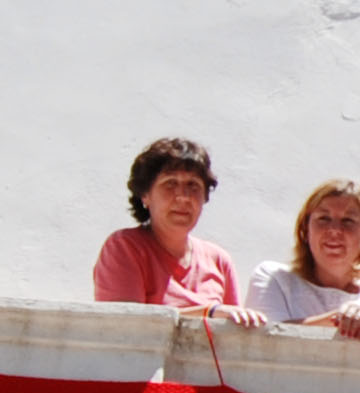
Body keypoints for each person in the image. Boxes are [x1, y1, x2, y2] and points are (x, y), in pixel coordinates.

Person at [92, 136, 264, 327]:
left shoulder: (219, 261)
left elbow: (234, 333)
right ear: (145, 196)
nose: (183, 197)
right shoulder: (125, 247)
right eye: (170, 183)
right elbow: (126, 326)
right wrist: (209, 312)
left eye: (193, 185)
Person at [248, 179, 360, 344]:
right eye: (324, 218)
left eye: (348, 221)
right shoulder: (274, 278)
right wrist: (344, 319)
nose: (334, 230)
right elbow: (264, 340)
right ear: (305, 229)